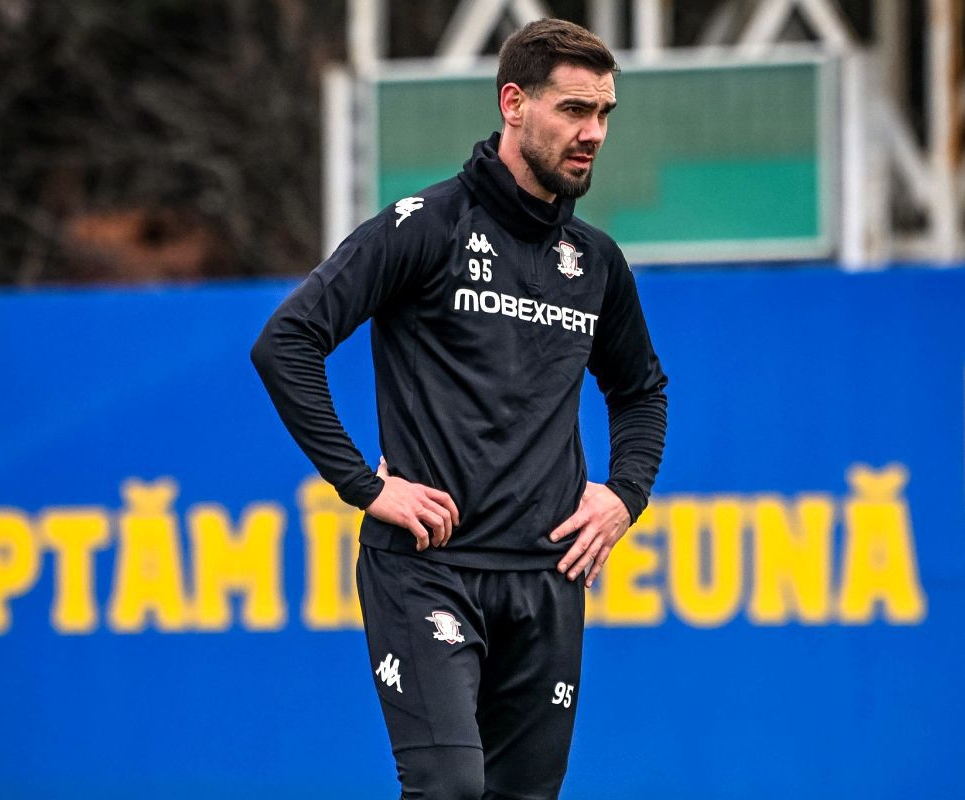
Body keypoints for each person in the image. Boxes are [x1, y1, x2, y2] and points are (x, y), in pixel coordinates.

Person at [252, 18, 667, 800]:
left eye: (604, 113)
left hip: (546, 576)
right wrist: (365, 486)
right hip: (427, 568)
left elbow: (640, 391)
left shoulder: (596, 263)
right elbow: (287, 343)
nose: (594, 133)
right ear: (514, 103)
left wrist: (624, 495)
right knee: (448, 787)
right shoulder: (429, 226)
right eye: (574, 110)